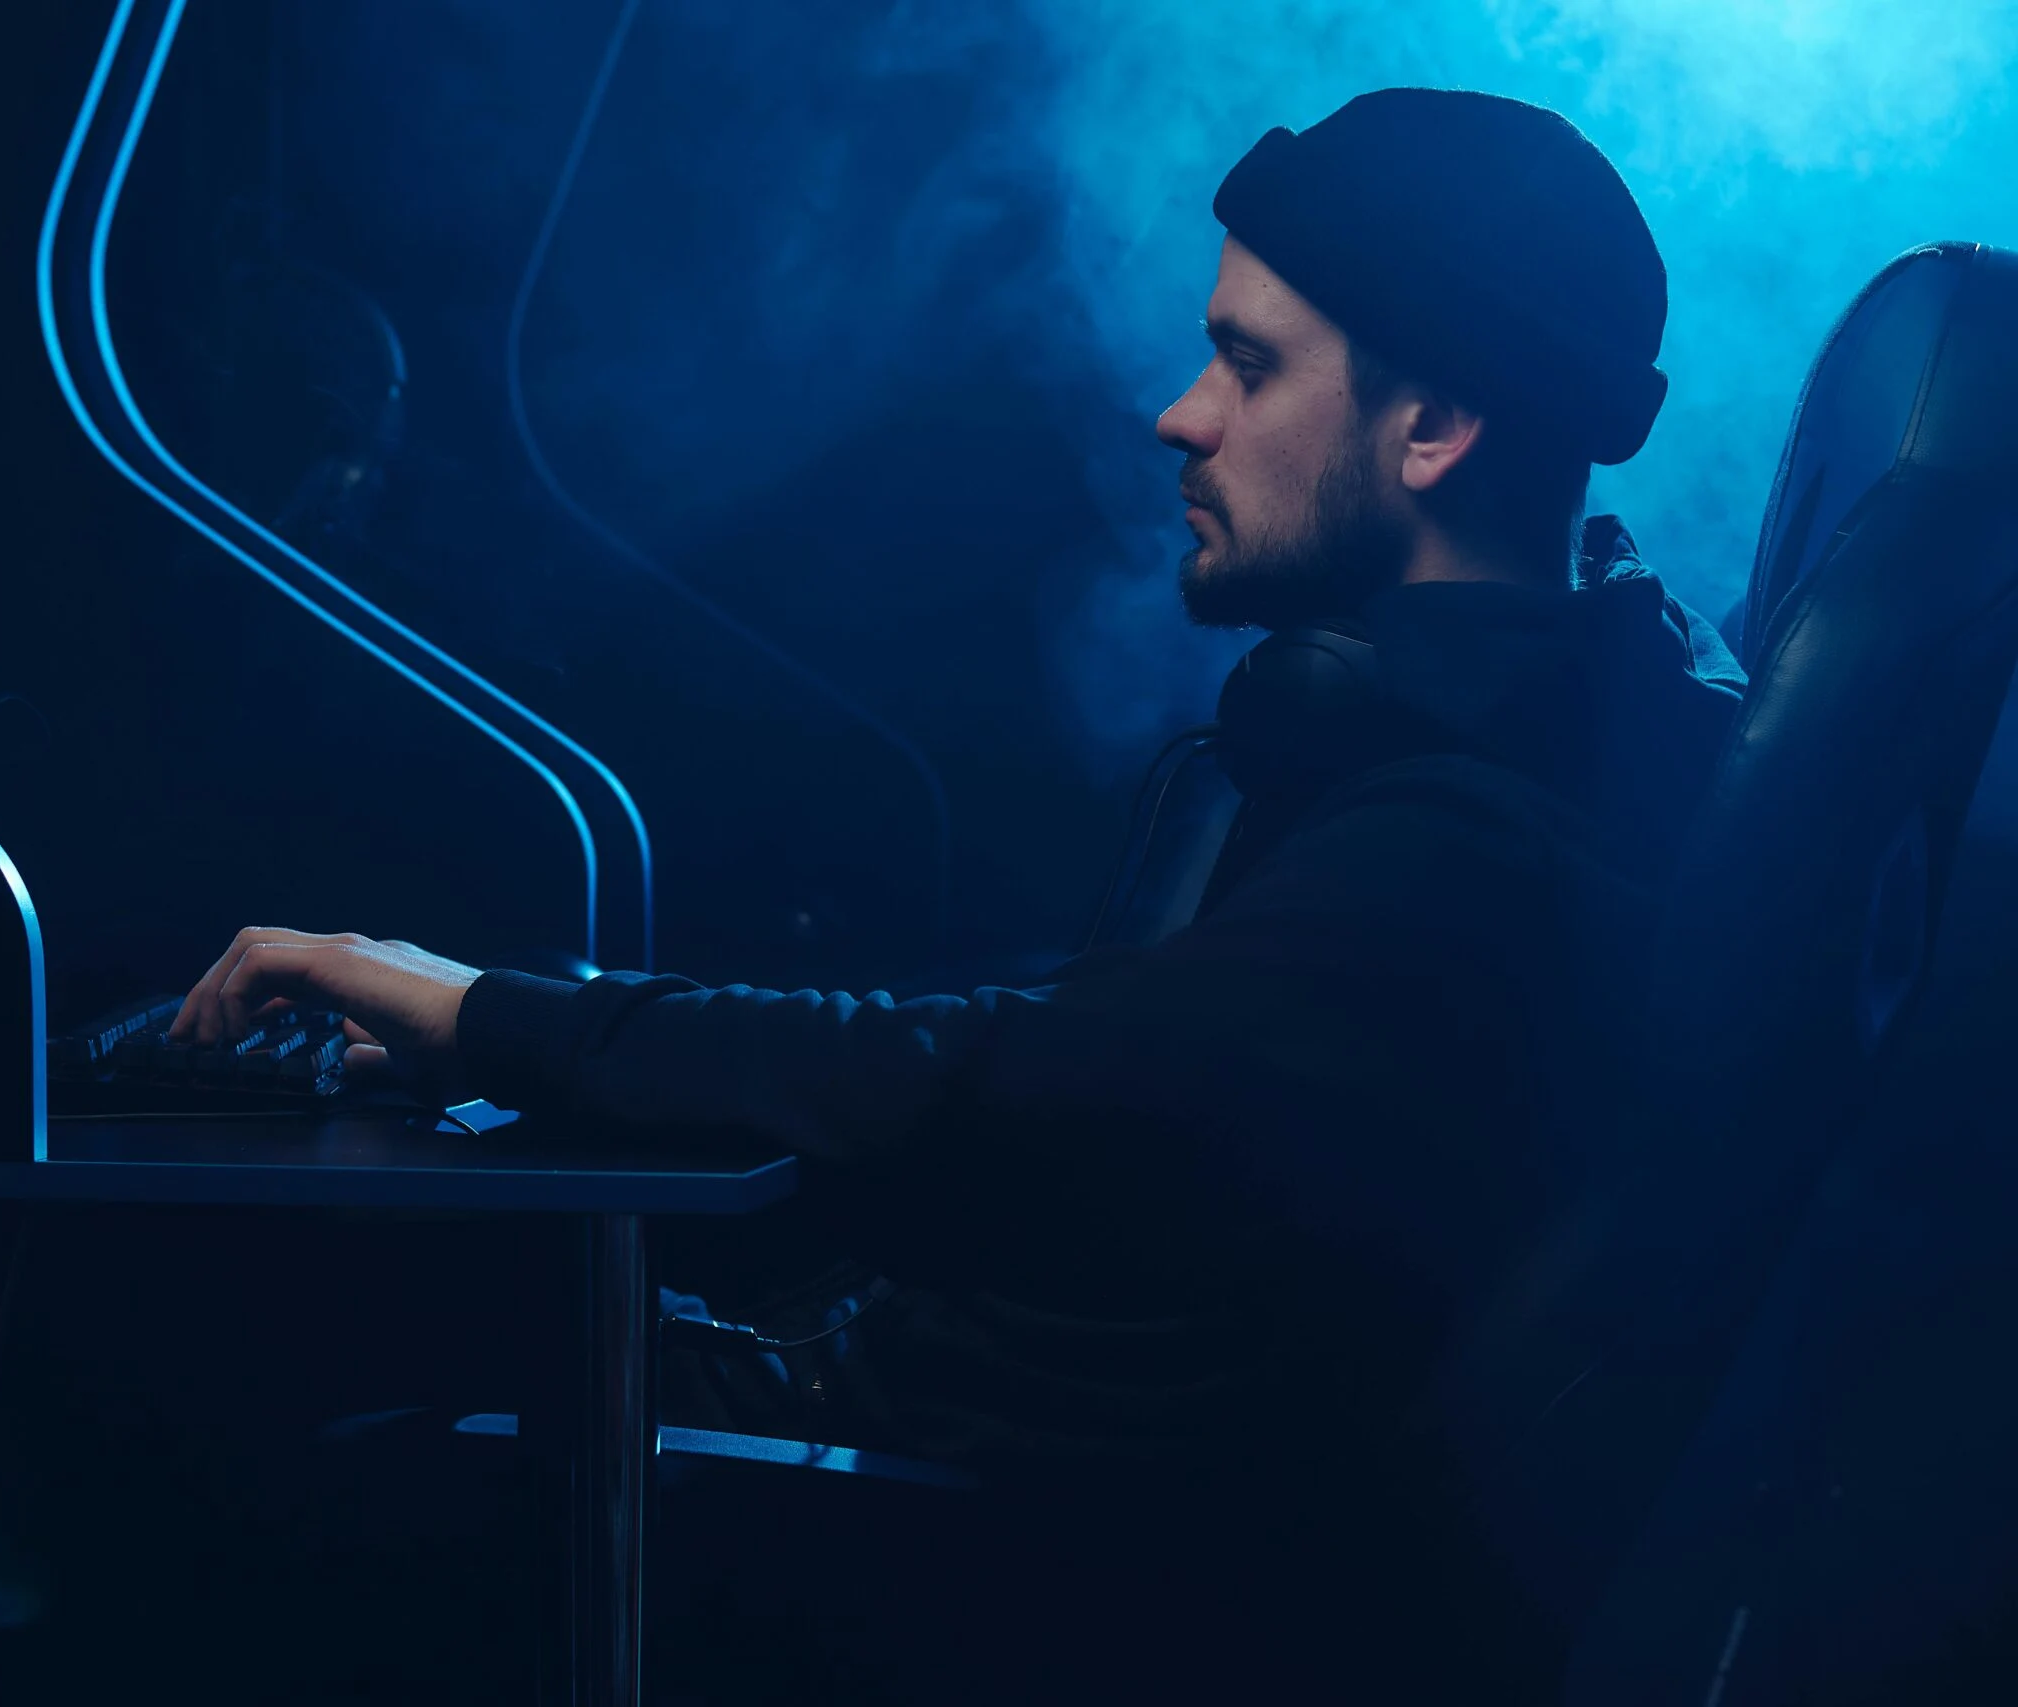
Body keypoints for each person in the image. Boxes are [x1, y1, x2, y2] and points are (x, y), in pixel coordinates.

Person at [170, 88, 1744, 1696]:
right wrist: (529, 1023)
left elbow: (992, 1085)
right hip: (950, 1460)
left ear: (1433, 428)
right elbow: (1077, 1040)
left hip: (984, 1555)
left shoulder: (1463, 843)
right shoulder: (1514, 739)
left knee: (277, 1457)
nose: (1182, 416)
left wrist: (495, 1018)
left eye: (1250, 364)